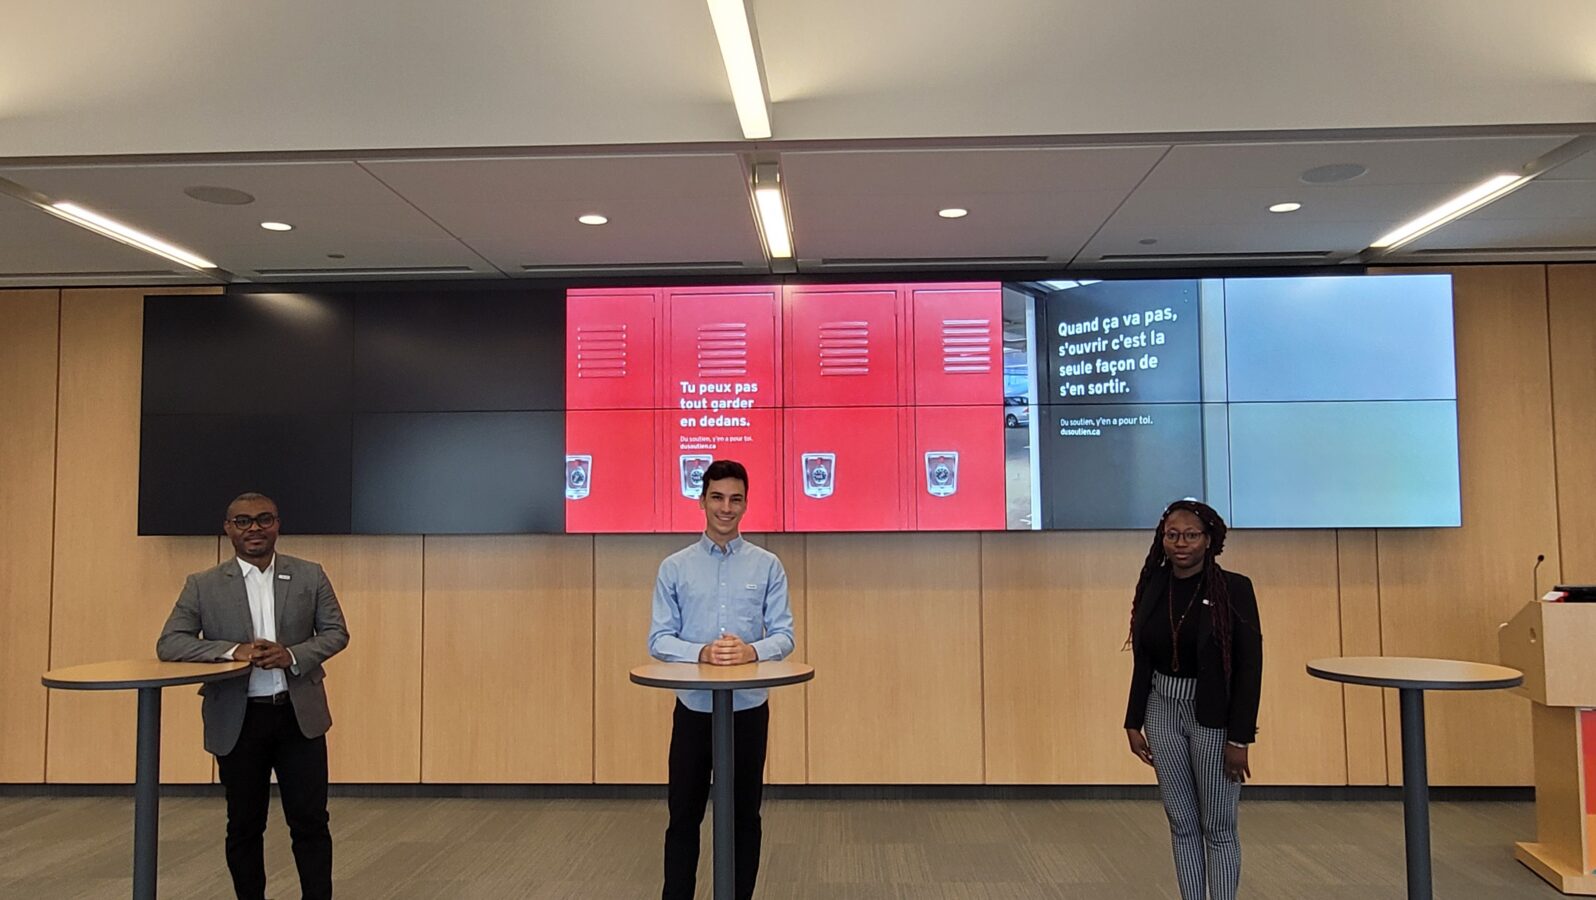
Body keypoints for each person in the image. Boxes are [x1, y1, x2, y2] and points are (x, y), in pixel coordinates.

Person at [156, 492, 350, 900]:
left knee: (310, 821)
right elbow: (170, 642)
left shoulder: (310, 575)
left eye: (264, 519)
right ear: (228, 529)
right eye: (243, 522)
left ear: (278, 524)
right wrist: (233, 650)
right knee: (244, 824)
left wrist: (292, 654)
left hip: (298, 717)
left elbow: (336, 632)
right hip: (239, 720)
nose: (254, 528)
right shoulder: (203, 584)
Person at [648, 459, 795, 900]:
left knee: (744, 818)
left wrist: (752, 651)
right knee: (684, 817)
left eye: (735, 499)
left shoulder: (768, 565)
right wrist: (702, 653)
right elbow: (658, 639)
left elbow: (784, 635)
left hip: (748, 710)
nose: (726, 508)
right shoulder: (674, 567)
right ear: (701, 501)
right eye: (717, 497)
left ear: (746, 504)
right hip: (694, 709)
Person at [1123, 499, 1263, 900]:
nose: (1180, 543)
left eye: (1191, 535)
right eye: (1172, 535)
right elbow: (1143, 658)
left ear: (1209, 540)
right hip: (1162, 710)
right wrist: (1133, 722)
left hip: (1213, 718)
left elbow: (1250, 667)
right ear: (1162, 539)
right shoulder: (1153, 585)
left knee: (1218, 825)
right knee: (1181, 821)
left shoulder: (1235, 589)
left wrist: (1240, 740)